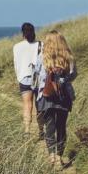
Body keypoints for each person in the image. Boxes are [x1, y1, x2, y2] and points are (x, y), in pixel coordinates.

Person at [34, 30, 77, 166]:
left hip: (46, 95)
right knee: (61, 127)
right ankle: (59, 156)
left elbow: (37, 73)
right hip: (63, 96)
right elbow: (74, 74)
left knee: (49, 126)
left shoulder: (42, 56)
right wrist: (63, 80)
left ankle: (52, 155)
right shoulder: (68, 57)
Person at [12, 23, 40, 135]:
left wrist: (19, 77)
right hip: (38, 78)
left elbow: (16, 63)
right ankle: (41, 130)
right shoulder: (40, 45)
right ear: (34, 31)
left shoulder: (17, 46)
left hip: (23, 77)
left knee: (27, 104)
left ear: (22, 33)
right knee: (40, 106)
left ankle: (27, 130)